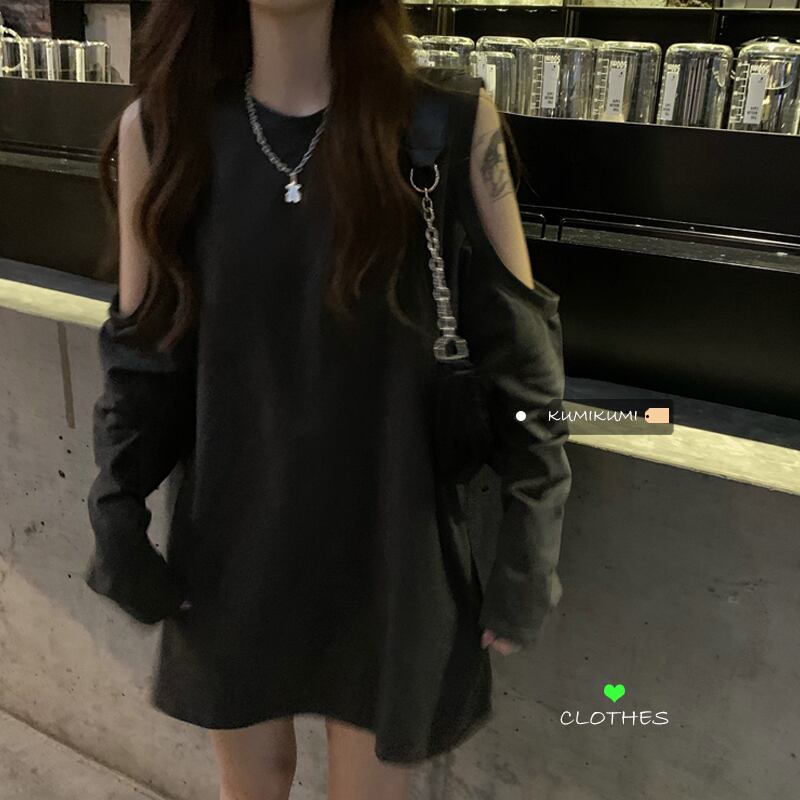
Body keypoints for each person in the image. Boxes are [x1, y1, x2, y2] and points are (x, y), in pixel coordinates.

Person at [84, 1, 572, 799]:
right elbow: (143, 363)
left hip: (394, 540)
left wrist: (532, 543)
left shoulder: (444, 124)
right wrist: (116, 512)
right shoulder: (166, 135)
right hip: (236, 534)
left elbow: (525, 361)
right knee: (253, 784)